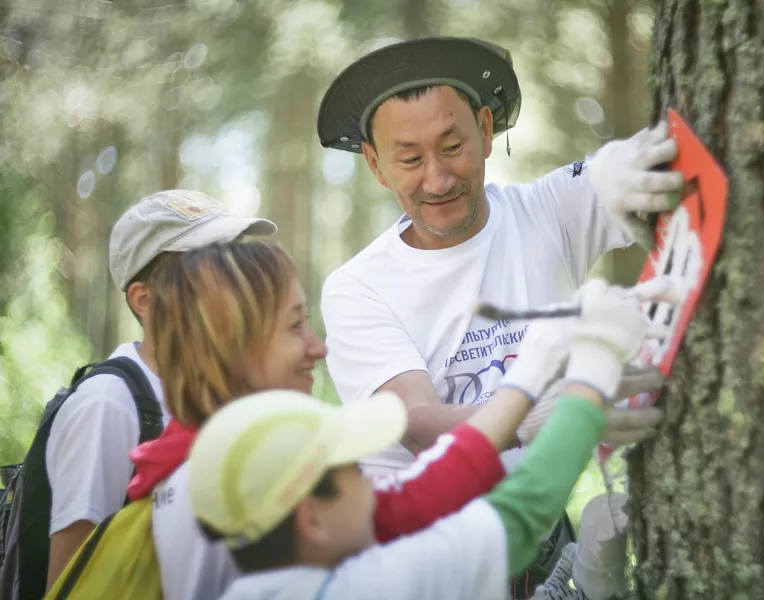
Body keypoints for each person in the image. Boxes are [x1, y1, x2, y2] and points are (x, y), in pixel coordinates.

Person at [316, 35, 683, 596]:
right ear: (375, 164)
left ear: (486, 131)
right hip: (421, 560)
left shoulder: (542, 214)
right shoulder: (358, 288)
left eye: (452, 145)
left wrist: (619, 168)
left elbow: (618, 175)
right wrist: (558, 413)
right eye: (410, 158)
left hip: (538, 523)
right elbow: (414, 424)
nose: (437, 179)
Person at [123, 241, 665, 600]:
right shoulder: (222, 488)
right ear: (232, 346)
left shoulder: (241, 465)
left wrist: (527, 390)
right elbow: (509, 520)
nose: (319, 346)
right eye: (294, 326)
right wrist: (587, 380)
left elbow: (414, 497)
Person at [41, 190, 275, 590]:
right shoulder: (108, 404)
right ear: (146, 300)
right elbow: (71, 580)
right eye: (211, 268)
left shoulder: (216, 395)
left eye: (236, 262)